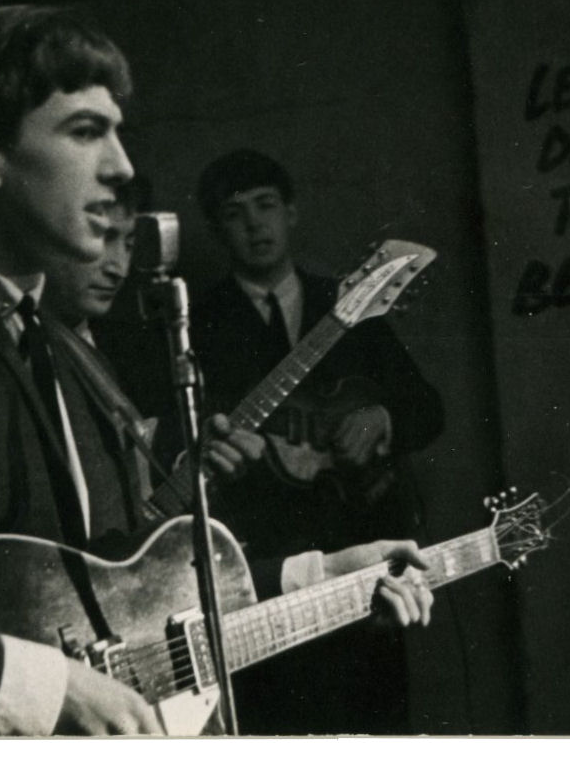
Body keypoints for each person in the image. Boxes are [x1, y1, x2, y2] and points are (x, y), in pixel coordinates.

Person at [0, 5, 434, 736]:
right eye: (83, 130)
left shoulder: (64, 345)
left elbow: (121, 585)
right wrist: (48, 688)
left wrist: (319, 577)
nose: (122, 166)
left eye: (117, 131)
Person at [191, 147, 446, 734]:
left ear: (292, 212)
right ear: (215, 229)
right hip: (264, 577)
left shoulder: (350, 305)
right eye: (235, 213)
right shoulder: (197, 324)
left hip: (364, 567)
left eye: (266, 205)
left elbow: (427, 409)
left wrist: (383, 416)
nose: (255, 223)